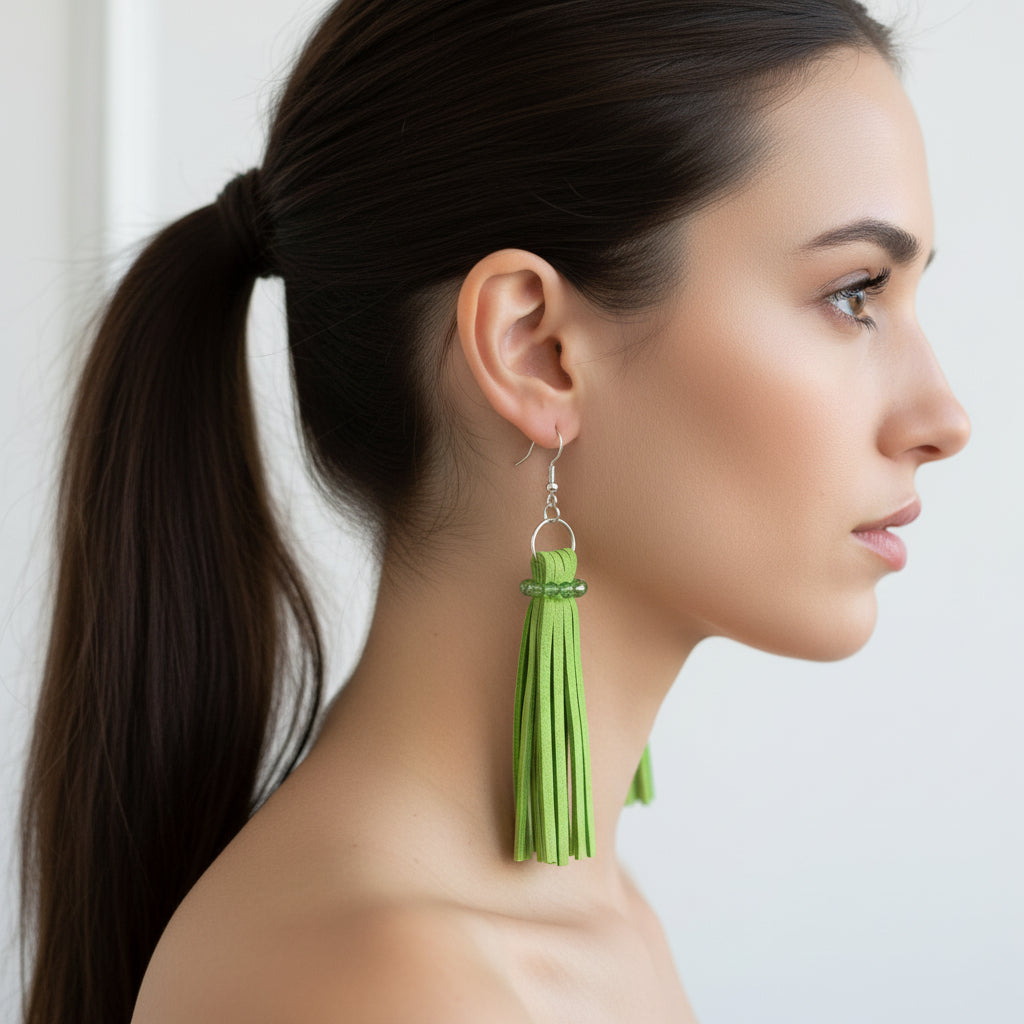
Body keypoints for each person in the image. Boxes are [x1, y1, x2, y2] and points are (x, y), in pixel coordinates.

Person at [20, 1, 971, 1021]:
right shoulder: (375, 984)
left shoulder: (582, 923)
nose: (944, 419)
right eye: (853, 294)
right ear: (536, 351)